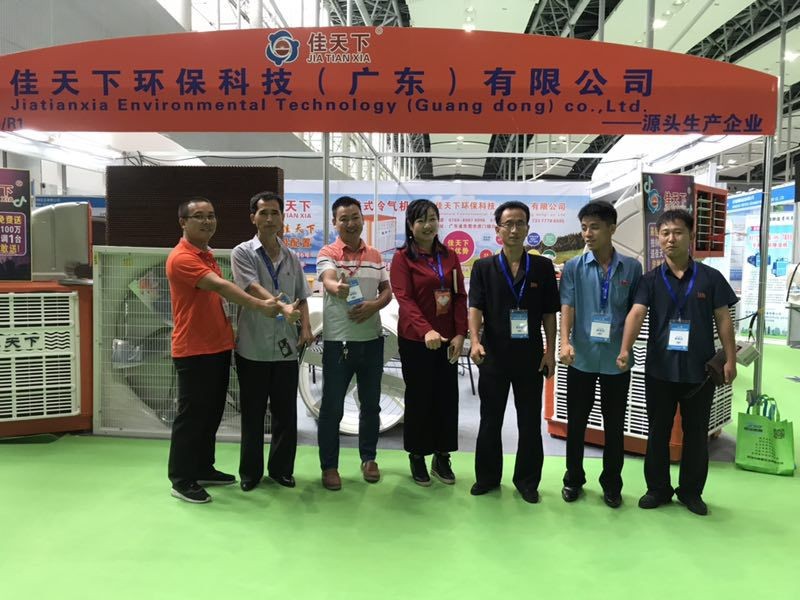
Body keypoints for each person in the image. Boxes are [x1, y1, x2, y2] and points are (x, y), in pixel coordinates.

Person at [616, 208, 737, 516]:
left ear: (691, 236)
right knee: (657, 432)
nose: (671, 239)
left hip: (700, 372)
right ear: (658, 238)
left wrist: (731, 359)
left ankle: (691, 492)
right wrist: (625, 348)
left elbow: (723, 319)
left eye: (678, 232)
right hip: (659, 370)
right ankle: (657, 489)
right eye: (665, 233)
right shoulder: (650, 280)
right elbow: (636, 313)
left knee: (696, 434)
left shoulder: (710, 278)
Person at [166, 196, 280, 504]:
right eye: (199, 216)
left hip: (217, 347)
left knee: (212, 413)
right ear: (183, 222)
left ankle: (203, 467)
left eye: (211, 215)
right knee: (192, 416)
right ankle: (181, 479)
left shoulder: (207, 254)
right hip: (194, 350)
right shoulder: (182, 258)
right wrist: (260, 305)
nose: (207, 221)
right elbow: (221, 286)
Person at [468, 200, 560, 503]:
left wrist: (549, 352)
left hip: (530, 357)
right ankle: (487, 478)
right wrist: (475, 341)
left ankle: (527, 481)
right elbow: (475, 308)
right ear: (498, 230)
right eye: (508, 223)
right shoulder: (483, 267)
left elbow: (549, 313)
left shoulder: (542, 267)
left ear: (528, 228)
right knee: (490, 419)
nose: (514, 229)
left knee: (529, 422)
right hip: (493, 355)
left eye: (520, 223)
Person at [559, 200, 642, 508]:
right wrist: (564, 342)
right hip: (580, 358)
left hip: (616, 361)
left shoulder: (632, 268)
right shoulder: (573, 267)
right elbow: (568, 306)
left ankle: (612, 485)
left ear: (612, 229)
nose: (587, 234)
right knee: (576, 424)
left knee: (614, 427)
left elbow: (636, 312)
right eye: (584, 228)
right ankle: (573, 479)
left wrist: (627, 348)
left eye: (594, 227)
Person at [231, 192, 313, 492]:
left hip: (286, 349)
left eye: (275, 213)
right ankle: (250, 473)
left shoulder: (291, 257)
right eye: (263, 213)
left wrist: (305, 328)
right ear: (253, 217)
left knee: (285, 414)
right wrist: (282, 307)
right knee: (253, 415)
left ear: (282, 218)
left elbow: (302, 297)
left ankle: (281, 470)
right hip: (253, 346)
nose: (269, 219)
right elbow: (251, 286)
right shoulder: (242, 252)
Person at [316, 196, 392, 490]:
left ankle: (369, 458)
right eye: (344, 219)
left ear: (362, 219)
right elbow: (328, 278)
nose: (350, 223)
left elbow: (387, 291)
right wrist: (336, 287)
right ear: (334, 223)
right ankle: (329, 466)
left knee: (371, 405)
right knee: (332, 408)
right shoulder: (328, 252)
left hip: (372, 340)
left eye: (355, 217)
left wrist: (374, 305)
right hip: (339, 342)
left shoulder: (374, 254)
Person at [390, 199, 467, 486]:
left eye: (432, 218)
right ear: (410, 225)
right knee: (420, 398)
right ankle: (418, 455)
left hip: (448, 340)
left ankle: (442, 456)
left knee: (447, 398)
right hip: (416, 340)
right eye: (421, 220)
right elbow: (404, 298)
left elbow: (459, 296)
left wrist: (460, 333)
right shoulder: (402, 258)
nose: (428, 225)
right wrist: (426, 331)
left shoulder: (449, 256)